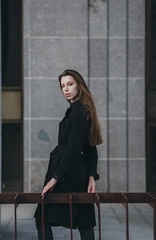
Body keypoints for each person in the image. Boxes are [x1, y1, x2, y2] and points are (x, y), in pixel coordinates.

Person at [34, 69, 103, 240]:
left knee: (42, 217)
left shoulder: (79, 113)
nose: (66, 89)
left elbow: (74, 149)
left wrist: (54, 178)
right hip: (75, 171)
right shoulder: (79, 111)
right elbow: (90, 148)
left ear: (79, 86)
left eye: (70, 84)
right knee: (83, 219)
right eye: (63, 86)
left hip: (68, 172)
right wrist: (91, 176)